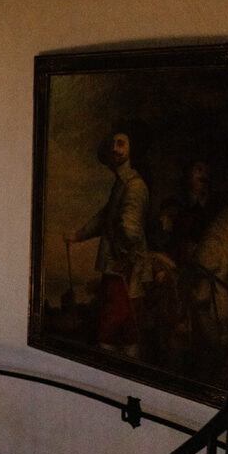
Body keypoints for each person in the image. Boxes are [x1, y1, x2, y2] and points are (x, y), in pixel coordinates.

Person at [64, 121, 152, 351]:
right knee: (119, 327)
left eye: (121, 144)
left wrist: (122, 257)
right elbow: (105, 217)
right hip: (116, 269)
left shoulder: (135, 186)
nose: (115, 148)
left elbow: (130, 231)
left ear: (132, 149)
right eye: (113, 144)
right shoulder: (121, 185)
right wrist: (79, 235)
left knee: (113, 327)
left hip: (123, 270)